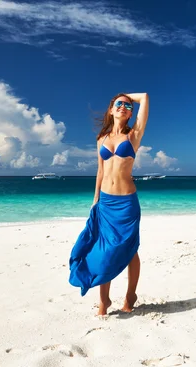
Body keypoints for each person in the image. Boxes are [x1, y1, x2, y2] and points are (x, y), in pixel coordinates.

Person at [69, 92, 149, 315]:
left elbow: (144, 96)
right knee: (103, 249)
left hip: (127, 204)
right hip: (105, 202)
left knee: (130, 250)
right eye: (119, 104)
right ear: (111, 110)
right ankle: (104, 301)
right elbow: (100, 171)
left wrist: (128, 97)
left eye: (127, 106)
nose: (124, 107)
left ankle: (130, 295)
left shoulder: (134, 135)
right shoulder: (101, 139)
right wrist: (95, 200)